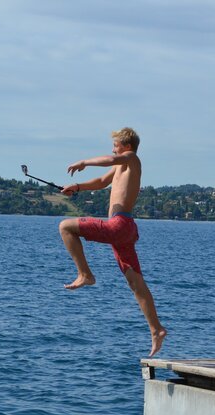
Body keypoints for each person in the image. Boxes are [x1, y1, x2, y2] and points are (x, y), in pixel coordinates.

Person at [58, 127, 167, 356]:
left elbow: (109, 159)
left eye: (115, 144)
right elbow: (100, 181)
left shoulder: (131, 159)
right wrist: (77, 187)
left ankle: (85, 274)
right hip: (124, 230)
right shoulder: (121, 167)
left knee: (65, 227)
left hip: (119, 226)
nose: (112, 149)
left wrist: (83, 162)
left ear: (126, 146)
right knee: (136, 283)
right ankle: (156, 330)